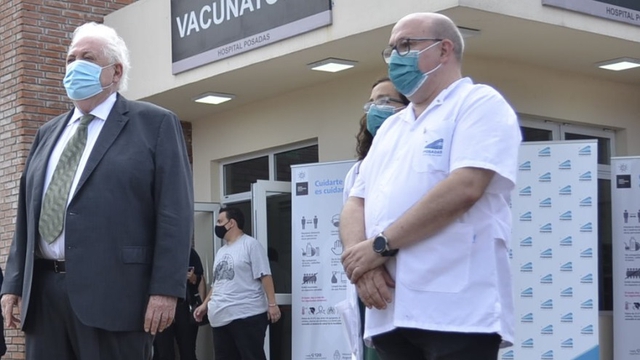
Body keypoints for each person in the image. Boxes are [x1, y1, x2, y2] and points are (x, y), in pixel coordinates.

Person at [0, 22, 193, 360]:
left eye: (86, 58)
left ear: (115, 71)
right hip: (44, 296)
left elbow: (174, 213)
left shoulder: (154, 125)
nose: (74, 66)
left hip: (115, 297)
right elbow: (27, 216)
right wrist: (13, 284)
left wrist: (166, 289)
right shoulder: (48, 133)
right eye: (70, 58)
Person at [340, 12, 521, 360]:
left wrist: (379, 247)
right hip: (389, 310)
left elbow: (466, 186)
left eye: (406, 45)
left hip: (456, 311)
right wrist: (360, 265)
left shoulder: (478, 104)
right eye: (391, 49)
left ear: (444, 50)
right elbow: (355, 202)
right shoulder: (392, 129)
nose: (396, 57)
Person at [339, 78, 408, 360]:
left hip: (403, 285)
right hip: (369, 290)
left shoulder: (414, 159)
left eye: (384, 101)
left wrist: (376, 253)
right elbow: (351, 219)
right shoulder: (358, 171)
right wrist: (364, 269)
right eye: (371, 103)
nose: (375, 109)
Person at [193, 207, 280, 360]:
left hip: (246, 315)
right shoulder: (221, 251)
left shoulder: (251, 245)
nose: (217, 225)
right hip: (220, 318)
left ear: (231, 223)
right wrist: (205, 304)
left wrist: (272, 304)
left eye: (220, 221)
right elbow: (218, 283)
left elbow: (265, 275)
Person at [153, 247, 206, 360]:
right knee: (163, 352)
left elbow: (200, 278)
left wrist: (193, 278)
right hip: (161, 305)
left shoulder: (189, 252)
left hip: (184, 305)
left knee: (188, 351)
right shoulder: (156, 253)